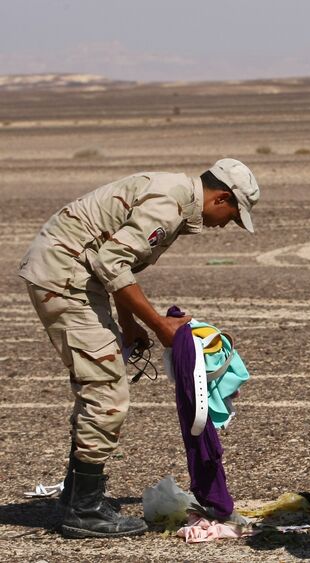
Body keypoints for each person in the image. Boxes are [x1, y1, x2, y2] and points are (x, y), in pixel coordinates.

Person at [19, 158, 260, 538]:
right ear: (221, 198)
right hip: (65, 278)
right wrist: (159, 324)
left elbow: (114, 266)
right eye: (232, 214)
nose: (226, 224)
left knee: (98, 383)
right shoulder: (170, 203)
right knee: (106, 392)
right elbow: (111, 261)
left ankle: (76, 498)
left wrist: (129, 325)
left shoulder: (174, 197)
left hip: (73, 275)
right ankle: (84, 509)